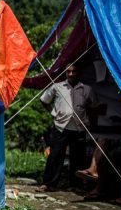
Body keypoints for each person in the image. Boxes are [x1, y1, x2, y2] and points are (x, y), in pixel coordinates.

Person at [38, 64, 100, 192]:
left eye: (74, 71)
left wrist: (88, 121)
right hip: (60, 126)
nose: (71, 74)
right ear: (65, 73)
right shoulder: (58, 87)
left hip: (79, 128)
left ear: (79, 72)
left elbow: (94, 106)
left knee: (77, 157)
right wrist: (53, 112)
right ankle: (49, 183)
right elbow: (44, 100)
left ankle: (75, 185)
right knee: (55, 155)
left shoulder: (86, 89)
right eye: (68, 72)